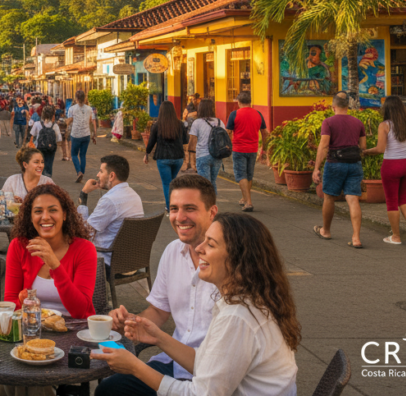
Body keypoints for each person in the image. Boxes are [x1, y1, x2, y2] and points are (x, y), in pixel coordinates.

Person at [94, 213, 300, 396]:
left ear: (239, 259)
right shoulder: (248, 299)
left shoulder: (238, 317)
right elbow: (206, 365)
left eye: (210, 244)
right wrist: (157, 337)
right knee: (112, 388)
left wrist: (135, 367)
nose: (199, 248)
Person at [94, 174, 218, 396]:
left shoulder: (229, 263)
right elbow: (159, 311)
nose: (180, 217)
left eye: (190, 208)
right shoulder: (172, 251)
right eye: (174, 208)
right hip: (174, 363)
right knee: (108, 390)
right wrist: (131, 322)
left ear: (212, 212)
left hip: (216, 371)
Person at [4, 183, 97, 318]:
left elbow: (81, 311)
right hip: (31, 328)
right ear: (30, 217)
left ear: (64, 215)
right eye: (38, 211)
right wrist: (21, 302)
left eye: (53, 210)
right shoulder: (19, 246)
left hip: (74, 330)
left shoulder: (85, 249)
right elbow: (9, 305)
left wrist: (55, 265)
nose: (45, 217)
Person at [313, 91, 367, 248]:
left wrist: (316, 168)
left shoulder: (328, 122)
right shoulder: (358, 123)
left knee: (329, 197)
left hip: (335, 162)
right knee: (353, 199)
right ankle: (356, 238)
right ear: (348, 107)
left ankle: (326, 231)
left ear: (333, 106)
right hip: (354, 163)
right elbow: (362, 147)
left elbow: (324, 146)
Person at [363, 95, 406, 245]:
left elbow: (380, 149)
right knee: (403, 198)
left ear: (386, 109)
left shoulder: (384, 125)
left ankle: (395, 236)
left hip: (391, 165)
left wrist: (366, 151)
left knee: (392, 201)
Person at [79, 156, 144, 270]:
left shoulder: (110, 200)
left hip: (109, 261)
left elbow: (83, 232)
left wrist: (83, 194)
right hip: (133, 261)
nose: (98, 175)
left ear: (112, 176)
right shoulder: (135, 196)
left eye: (101, 171)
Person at [225, 92, 269, 213]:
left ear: (238, 102)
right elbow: (265, 133)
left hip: (239, 149)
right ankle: (245, 198)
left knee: (241, 175)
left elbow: (228, 131)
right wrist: (264, 149)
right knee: (249, 175)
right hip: (253, 149)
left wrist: (227, 145)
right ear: (250, 102)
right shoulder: (258, 114)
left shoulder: (234, 114)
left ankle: (248, 202)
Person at [144, 101, 189, 209]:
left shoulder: (157, 125)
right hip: (178, 158)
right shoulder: (180, 124)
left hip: (163, 158)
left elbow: (151, 142)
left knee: (166, 184)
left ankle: (170, 207)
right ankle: (174, 205)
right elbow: (185, 140)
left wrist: (147, 154)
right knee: (173, 182)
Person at [187, 98, 223, 193]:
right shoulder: (219, 122)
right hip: (217, 156)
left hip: (202, 156)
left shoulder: (197, 123)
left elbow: (192, 142)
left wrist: (191, 159)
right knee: (212, 182)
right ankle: (212, 205)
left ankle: (207, 206)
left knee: (204, 184)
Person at [66, 89, 98, 183]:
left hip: (76, 134)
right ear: (85, 98)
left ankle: (79, 172)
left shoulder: (72, 109)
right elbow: (91, 121)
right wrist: (94, 134)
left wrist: (65, 124)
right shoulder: (89, 109)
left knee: (74, 154)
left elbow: (69, 120)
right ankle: (82, 173)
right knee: (83, 155)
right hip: (86, 134)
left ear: (76, 98)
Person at [31, 107, 62, 177]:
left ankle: (40, 179)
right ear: (52, 116)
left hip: (39, 148)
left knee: (39, 165)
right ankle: (48, 179)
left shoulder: (37, 124)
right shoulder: (55, 126)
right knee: (49, 165)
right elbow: (59, 139)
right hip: (51, 149)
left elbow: (32, 135)